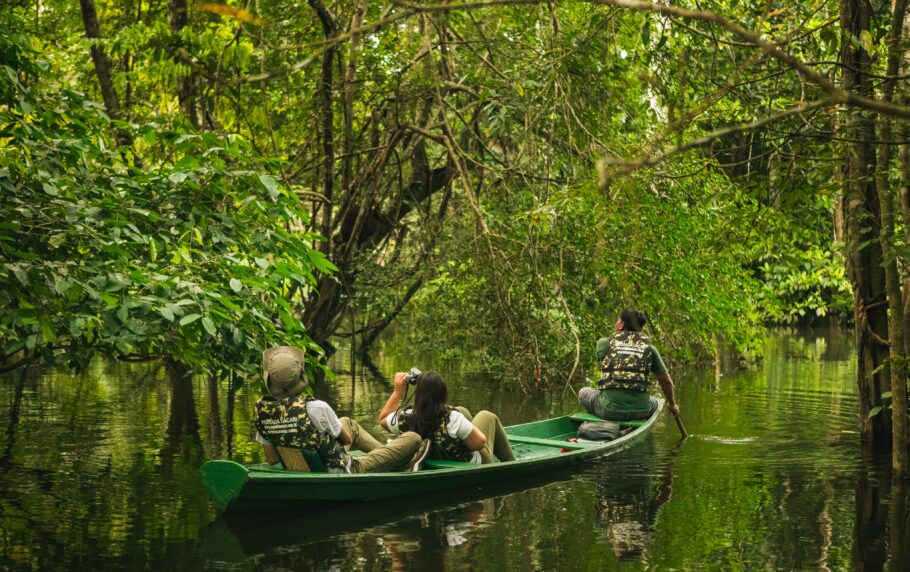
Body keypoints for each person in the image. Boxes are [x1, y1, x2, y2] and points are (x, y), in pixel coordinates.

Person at [254, 346, 430, 473]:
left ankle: (391, 457)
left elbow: (272, 460)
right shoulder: (317, 407)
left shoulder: (261, 412)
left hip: (308, 465)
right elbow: (345, 439)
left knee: (347, 422)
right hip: (343, 468)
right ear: (301, 377)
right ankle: (399, 463)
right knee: (414, 438)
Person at [378, 370, 515, 464]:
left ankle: (462, 433)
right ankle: (511, 463)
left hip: (433, 457)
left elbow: (383, 419)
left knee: (462, 410)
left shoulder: (406, 417)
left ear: (418, 395)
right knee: (486, 416)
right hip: (467, 462)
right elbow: (479, 443)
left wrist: (397, 392)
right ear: (442, 393)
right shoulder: (453, 418)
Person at [579, 308, 680, 421]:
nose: (616, 323)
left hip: (610, 411)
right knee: (655, 401)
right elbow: (666, 380)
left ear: (621, 325)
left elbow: (603, 360)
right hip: (642, 411)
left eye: (618, 320)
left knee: (583, 392)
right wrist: (672, 404)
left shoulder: (604, 343)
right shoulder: (650, 349)